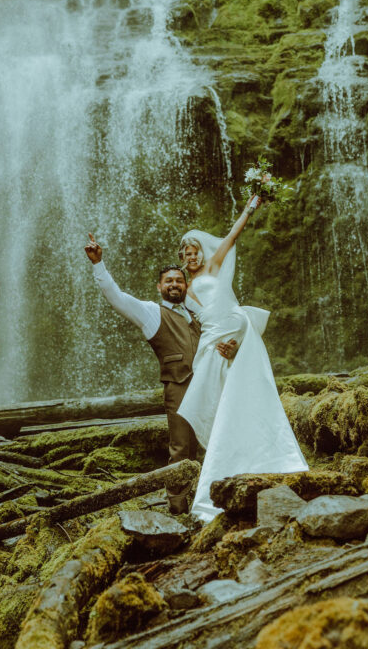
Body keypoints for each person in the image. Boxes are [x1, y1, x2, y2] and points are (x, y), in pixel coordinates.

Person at [177, 199, 308, 520]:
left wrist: (252, 204)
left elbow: (231, 237)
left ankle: (266, 459)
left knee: (245, 395)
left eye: (196, 250)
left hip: (236, 337)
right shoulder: (181, 285)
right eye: (186, 252)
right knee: (223, 403)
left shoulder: (212, 268)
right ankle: (232, 463)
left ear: (202, 253)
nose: (192, 255)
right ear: (181, 257)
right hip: (211, 345)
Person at [84, 234, 221, 514]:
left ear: (186, 285)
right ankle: (178, 509)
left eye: (178, 280)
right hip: (179, 386)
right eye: (168, 281)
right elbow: (117, 298)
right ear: (160, 287)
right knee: (182, 448)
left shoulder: (199, 311)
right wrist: (99, 264)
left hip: (210, 384)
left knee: (216, 440)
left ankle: (214, 502)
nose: (174, 284)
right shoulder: (151, 313)